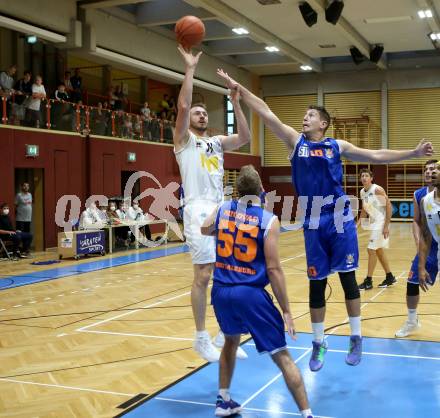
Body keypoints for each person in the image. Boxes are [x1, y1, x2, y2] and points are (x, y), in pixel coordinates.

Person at [216, 69, 434, 371]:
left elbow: (376, 155)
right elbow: (266, 113)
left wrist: (411, 152)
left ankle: (356, 338)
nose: (304, 119)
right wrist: (238, 87)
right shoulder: (295, 143)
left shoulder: (337, 146)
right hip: (313, 218)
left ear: (323, 123)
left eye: (310, 116)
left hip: (340, 217)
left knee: (347, 279)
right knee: (316, 284)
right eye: (303, 116)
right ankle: (319, 342)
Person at [201, 165, 314, 418]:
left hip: (221, 292)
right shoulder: (268, 220)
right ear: (261, 190)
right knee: (282, 355)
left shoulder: (223, 209)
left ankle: (223, 399)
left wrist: (226, 211)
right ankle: (307, 414)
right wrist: (286, 310)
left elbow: (204, 229)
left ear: (236, 191)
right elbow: (273, 269)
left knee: (230, 340)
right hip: (249, 295)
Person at [174, 45, 250, 362]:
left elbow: (245, 137)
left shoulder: (216, 141)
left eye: (205, 112)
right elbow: (182, 104)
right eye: (197, 112)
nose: (202, 114)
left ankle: (226, 332)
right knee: (203, 275)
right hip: (197, 209)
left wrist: (236, 102)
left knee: (228, 271)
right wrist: (190, 69)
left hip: (222, 208)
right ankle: (201, 337)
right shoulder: (183, 140)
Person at [395, 159, 438, 337]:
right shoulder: (422, 196)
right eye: (427, 170)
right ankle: (412, 321)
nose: (430, 172)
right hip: (430, 246)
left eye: (434, 169)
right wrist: (418, 242)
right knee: (413, 281)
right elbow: (418, 222)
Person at [357, 169, 396, 290]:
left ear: (371, 178)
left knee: (371, 250)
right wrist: (357, 224)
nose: (364, 178)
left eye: (366, 176)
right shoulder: (362, 192)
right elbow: (364, 209)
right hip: (374, 223)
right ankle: (390, 277)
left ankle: (368, 281)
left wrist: (386, 226)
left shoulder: (377, 189)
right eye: (362, 176)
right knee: (378, 250)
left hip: (381, 222)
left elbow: (389, 206)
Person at [417, 163, 440, 296]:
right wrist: (421, 266)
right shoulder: (425, 201)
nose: (433, 172)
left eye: (438, 170)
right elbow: (425, 236)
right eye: (434, 169)